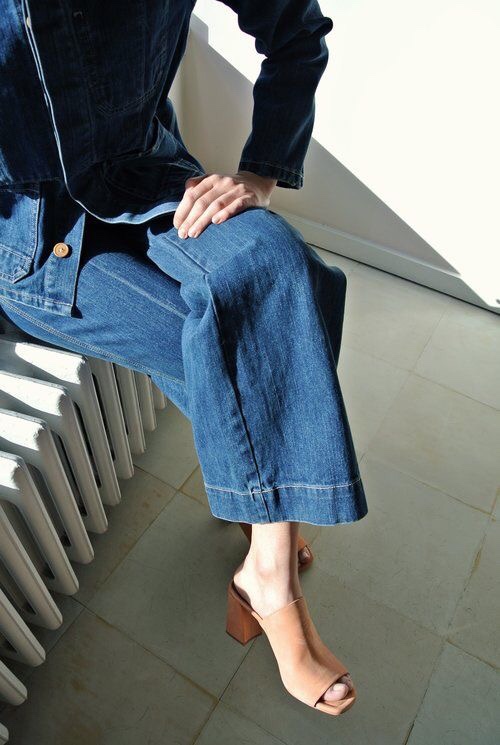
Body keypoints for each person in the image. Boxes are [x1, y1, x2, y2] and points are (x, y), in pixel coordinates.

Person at [0, 0, 368, 717]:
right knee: (253, 344)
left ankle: (265, 556)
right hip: (31, 242)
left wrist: (260, 173)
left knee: (283, 270)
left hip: (154, 182)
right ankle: (269, 559)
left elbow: (297, 30)